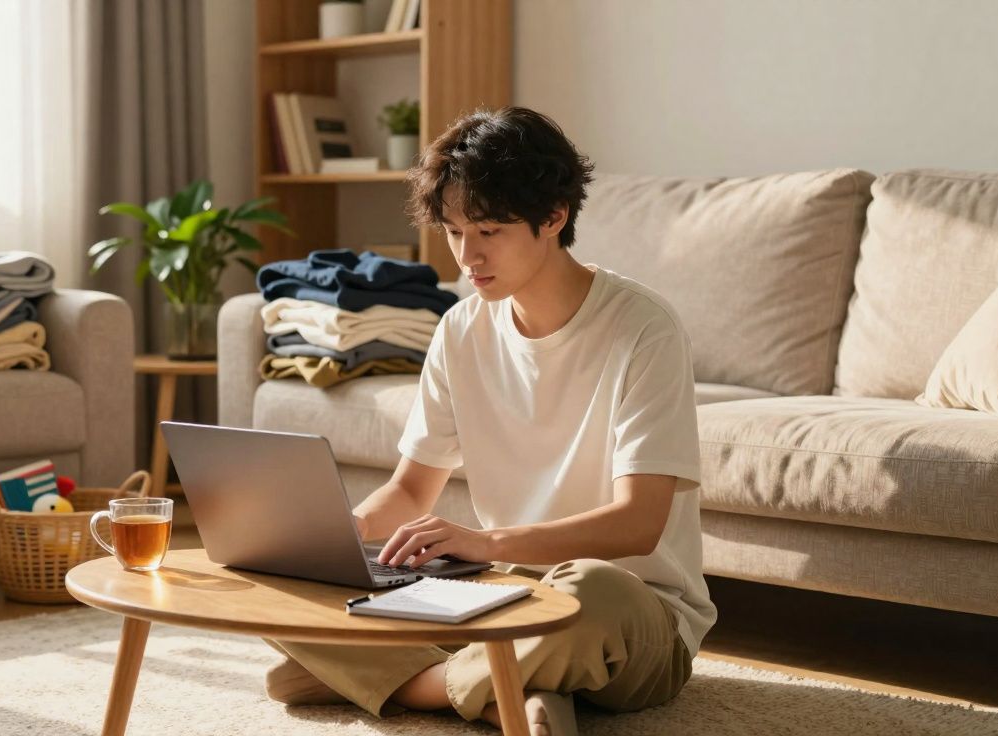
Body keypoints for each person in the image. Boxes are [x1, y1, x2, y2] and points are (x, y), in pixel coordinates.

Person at [263, 106, 715, 736]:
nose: (467, 257)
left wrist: (486, 543)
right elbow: (410, 490)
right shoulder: (461, 328)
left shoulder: (643, 328)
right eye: (452, 232)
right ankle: (521, 697)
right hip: (493, 602)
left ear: (553, 217)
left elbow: (638, 526)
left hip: (632, 616)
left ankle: (414, 685)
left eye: (489, 230)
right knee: (281, 595)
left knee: (592, 591)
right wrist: (322, 544)